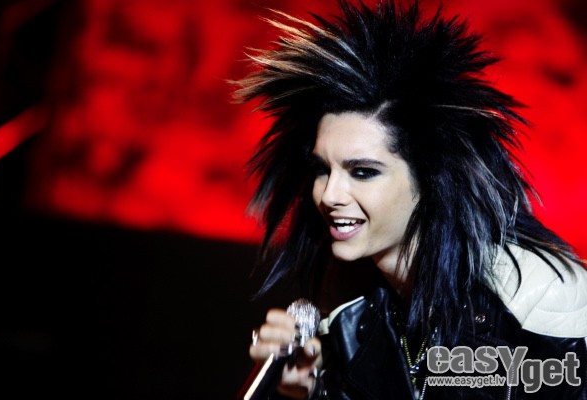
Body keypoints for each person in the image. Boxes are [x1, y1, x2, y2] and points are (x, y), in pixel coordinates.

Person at [233, 1, 587, 399]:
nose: (329, 195)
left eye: (363, 172)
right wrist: (312, 389)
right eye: (321, 169)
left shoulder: (540, 299)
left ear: (429, 179)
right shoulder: (348, 305)